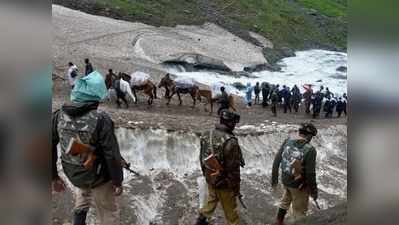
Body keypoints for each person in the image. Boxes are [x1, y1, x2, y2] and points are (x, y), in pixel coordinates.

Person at [52, 75, 124, 225]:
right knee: (108, 213)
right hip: (97, 176)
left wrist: (53, 176)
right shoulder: (102, 119)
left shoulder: (58, 115)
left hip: (74, 172)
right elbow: (111, 154)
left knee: (84, 192)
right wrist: (117, 181)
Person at [195, 110, 245, 225]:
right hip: (224, 184)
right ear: (230, 123)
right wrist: (235, 188)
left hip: (210, 177)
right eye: (233, 123)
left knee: (212, 200)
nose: (234, 125)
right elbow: (234, 170)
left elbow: (202, 158)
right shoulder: (230, 141)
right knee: (231, 214)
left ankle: (200, 221)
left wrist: (207, 175)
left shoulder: (207, 134)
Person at [271, 123, 318, 224]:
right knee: (300, 211)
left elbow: (277, 159)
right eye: (312, 137)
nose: (311, 139)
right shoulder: (310, 150)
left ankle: (279, 222)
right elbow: (310, 174)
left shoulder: (288, 140)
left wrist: (274, 179)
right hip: (299, 184)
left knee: (285, 200)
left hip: (285, 179)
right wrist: (314, 191)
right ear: (309, 135)